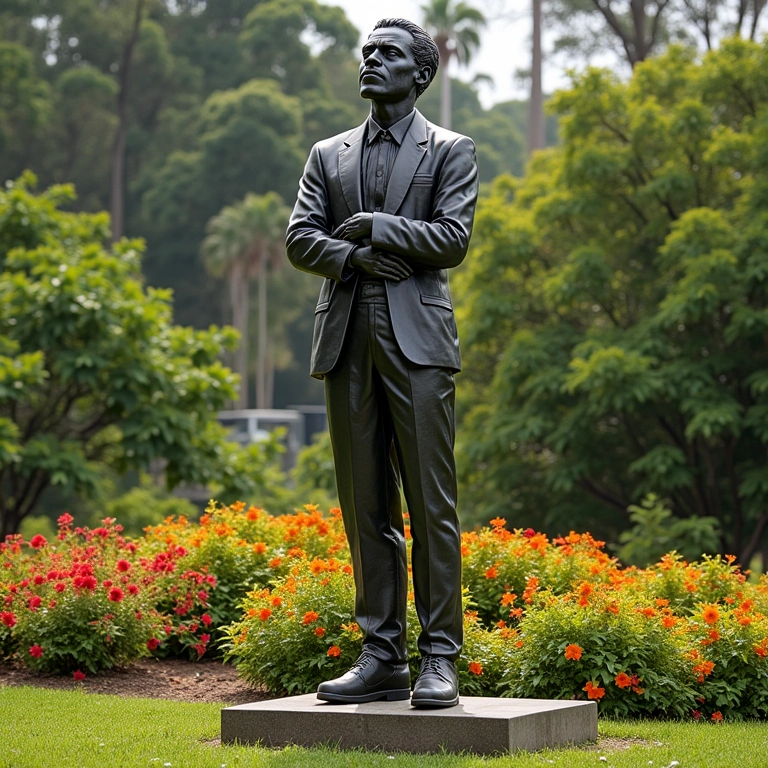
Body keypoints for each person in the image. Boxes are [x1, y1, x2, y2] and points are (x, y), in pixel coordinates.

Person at [285, 17, 478, 709]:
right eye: (368, 51)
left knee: (431, 505)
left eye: (388, 53)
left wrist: (376, 226)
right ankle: (381, 655)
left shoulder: (451, 150)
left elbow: (452, 238)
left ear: (419, 73)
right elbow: (299, 237)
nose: (372, 60)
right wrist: (353, 255)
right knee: (365, 505)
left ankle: (440, 658)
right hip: (345, 341)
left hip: (419, 344)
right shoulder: (326, 154)